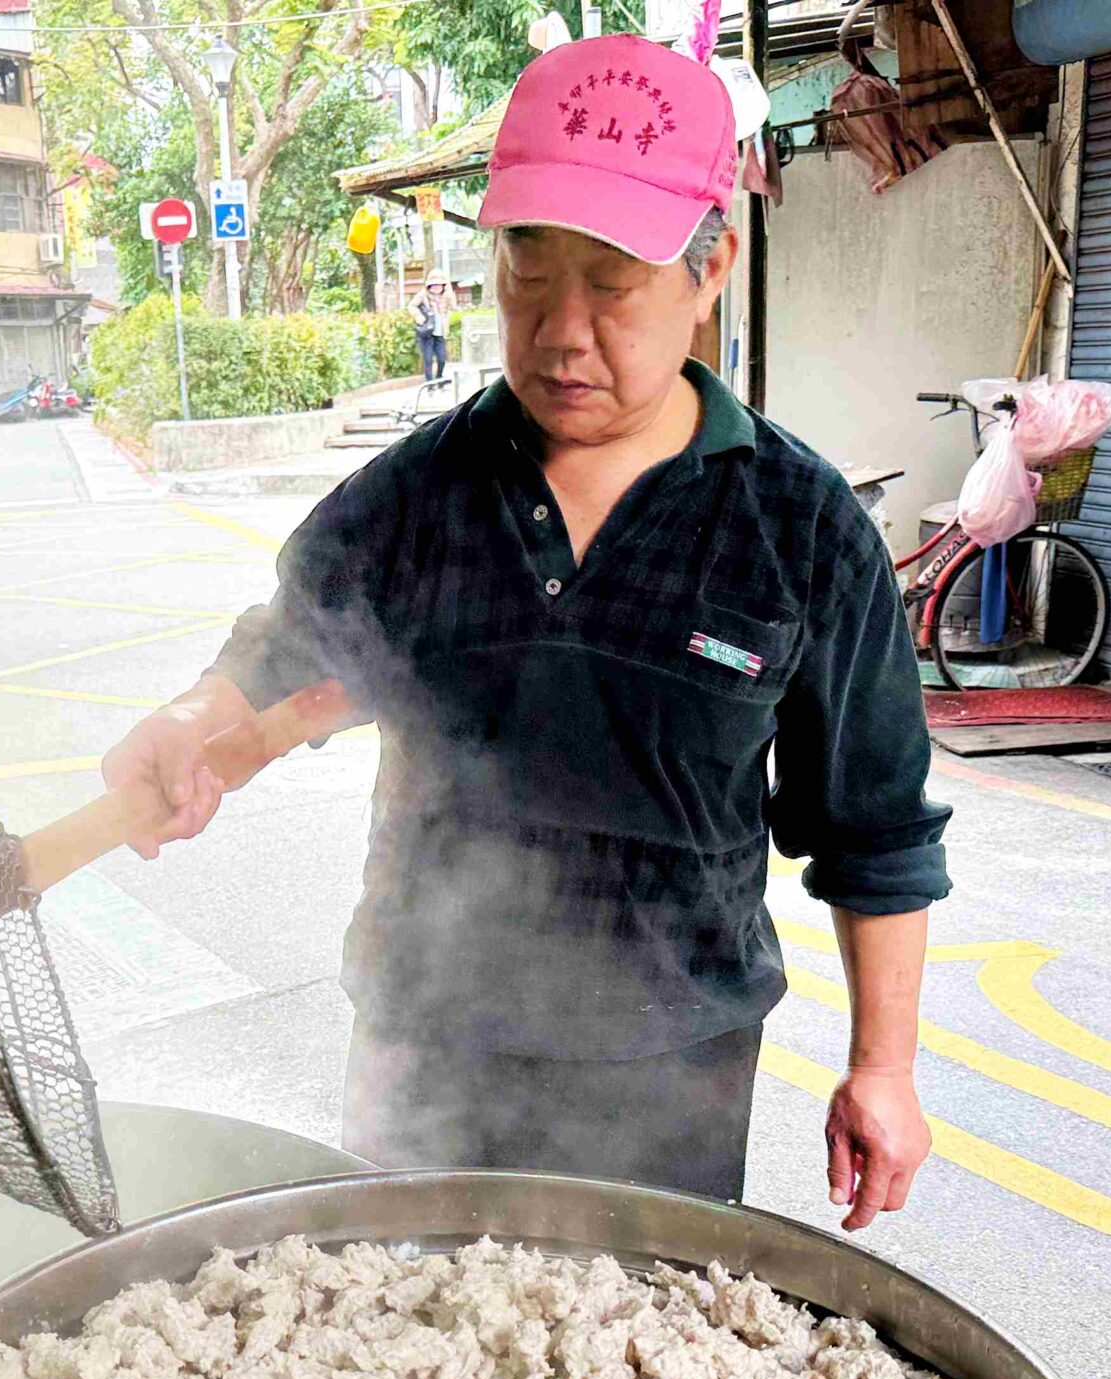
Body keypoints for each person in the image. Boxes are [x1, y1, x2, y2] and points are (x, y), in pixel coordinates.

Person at [100, 34, 946, 1230]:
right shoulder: (414, 496)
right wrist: (192, 722)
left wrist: (884, 1069)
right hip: (424, 1046)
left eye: (610, 285)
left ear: (711, 270)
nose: (560, 331)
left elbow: (875, 830)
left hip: (670, 1072)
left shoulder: (797, 527)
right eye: (527, 272)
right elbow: (280, 653)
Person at [411, 280, 449, 385]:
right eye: (434, 285)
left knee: (442, 358)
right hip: (427, 333)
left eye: (439, 285)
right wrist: (420, 317)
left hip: (440, 333)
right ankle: (429, 383)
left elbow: (451, 308)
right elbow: (411, 306)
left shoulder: (444, 296)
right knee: (428, 359)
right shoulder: (423, 295)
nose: (437, 287)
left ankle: (439, 379)